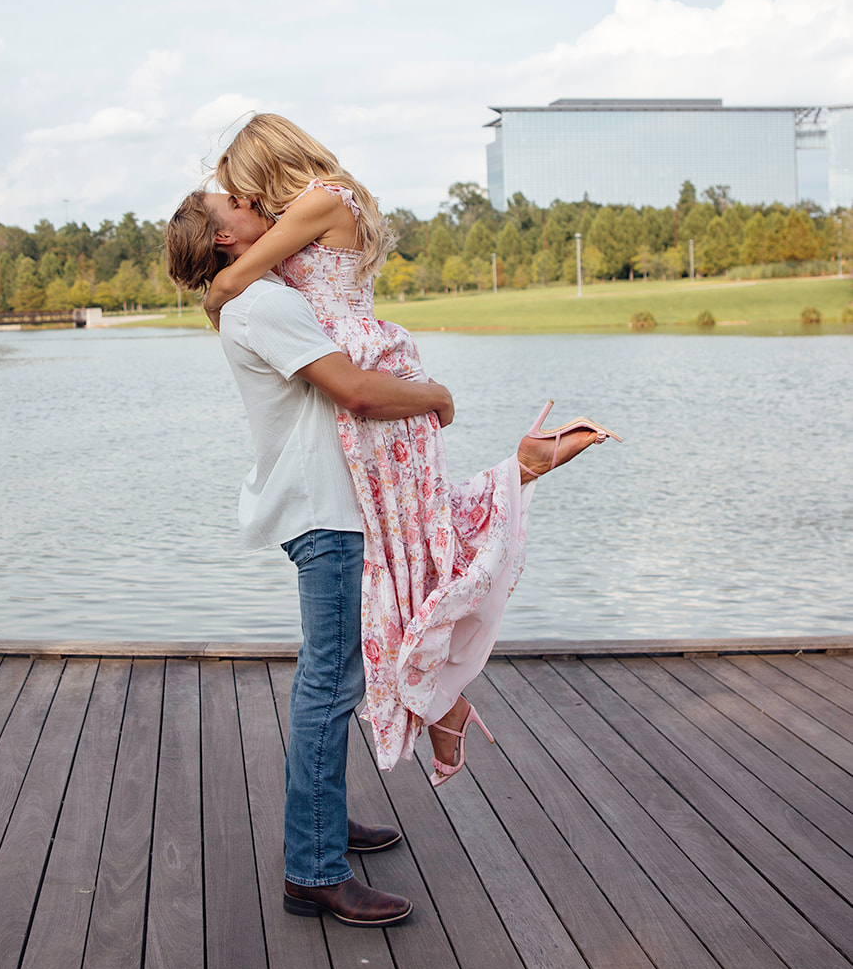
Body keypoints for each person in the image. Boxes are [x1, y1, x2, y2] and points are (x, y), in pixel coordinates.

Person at [203, 114, 620, 782]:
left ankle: (440, 696)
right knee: (408, 544)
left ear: (263, 167)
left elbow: (231, 282)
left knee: (411, 543)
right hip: (358, 367)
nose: (246, 202)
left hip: (363, 368)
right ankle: (441, 697)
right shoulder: (325, 203)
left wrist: (222, 286)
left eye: (242, 188)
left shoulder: (321, 199)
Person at [166, 190, 458, 927]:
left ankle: (323, 825)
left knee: (332, 680)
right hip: (325, 512)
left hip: (325, 506)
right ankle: (314, 869)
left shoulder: (265, 295)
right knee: (329, 686)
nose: (251, 199)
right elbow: (355, 392)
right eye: (231, 202)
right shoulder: (264, 305)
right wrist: (436, 396)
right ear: (225, 239)